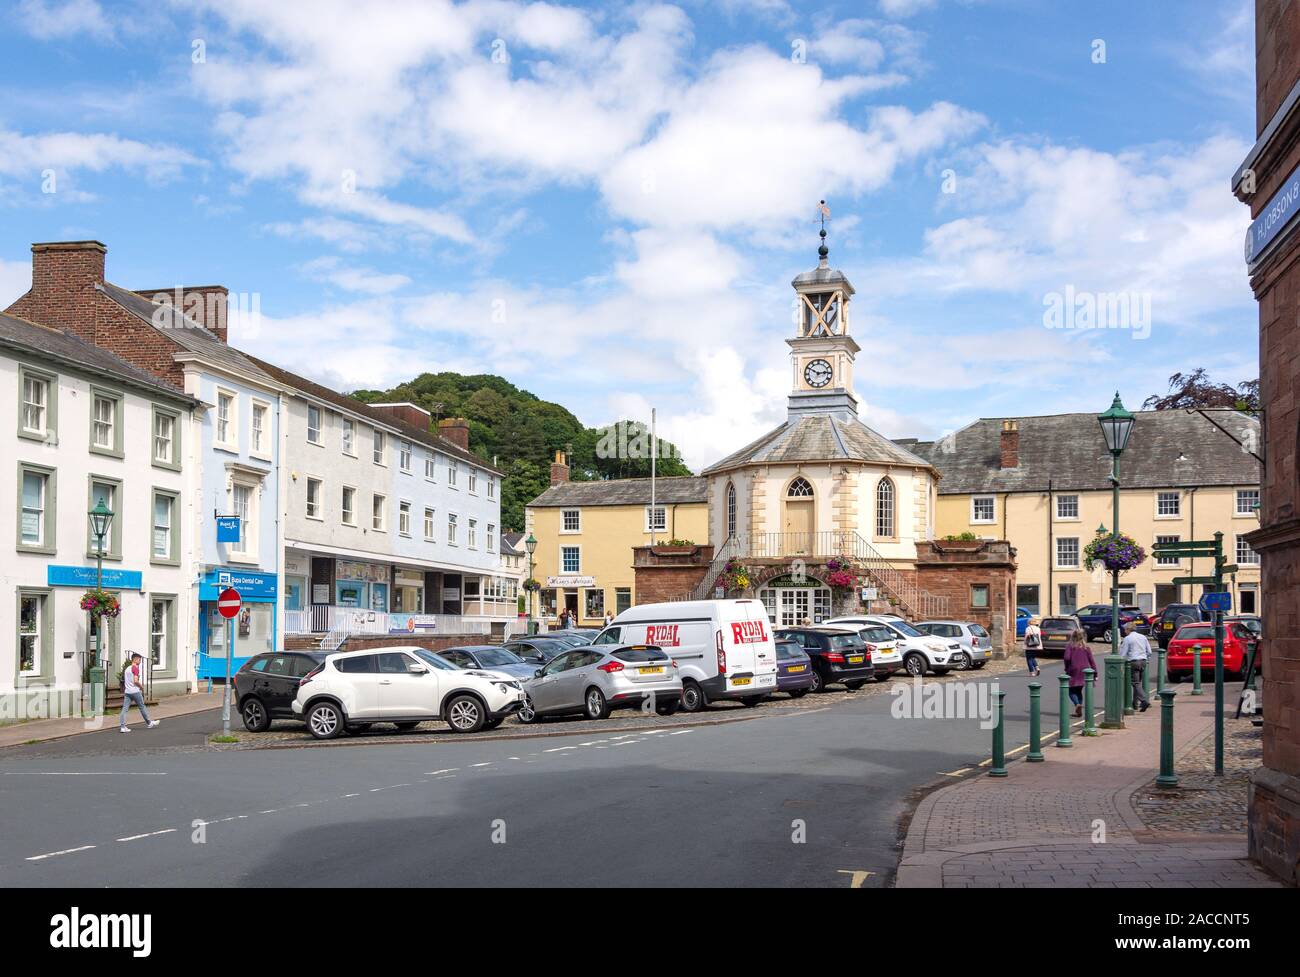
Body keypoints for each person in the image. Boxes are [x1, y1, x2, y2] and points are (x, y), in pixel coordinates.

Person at [119, 652, 159, 733]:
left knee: (125, 709)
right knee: (142, 707)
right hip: (135, 691)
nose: (140, 662)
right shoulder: (135, 668)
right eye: (139, 660)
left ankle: (122, 727)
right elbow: (136, 681)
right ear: (136, 659)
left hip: (127, 692)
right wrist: (141, 687)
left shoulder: (127, 669)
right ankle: (149, 723)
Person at [1061, 628, 1097, 718]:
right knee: (1079, 690)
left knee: (1070, 690)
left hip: (1073, 670)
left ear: (1073, 636)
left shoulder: (1070, 646)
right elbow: (1092, 661)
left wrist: (1067, 667)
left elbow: (1066, 658)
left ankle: (1077, 704)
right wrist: (1095, 673)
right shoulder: (1086, 647)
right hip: (1085, 671)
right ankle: (1079, 710)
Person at [1119, 621, 1152, 712]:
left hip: (1134, 662)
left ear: (1128, 629)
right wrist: (1145, 657)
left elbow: (1123, 654)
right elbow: (1149, 651)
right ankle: (1135, 704)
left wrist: (1121, 663)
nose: (1124, 631)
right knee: (1138, 683)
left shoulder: (1128, 639)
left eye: (1125, 629)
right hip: (1143, 661)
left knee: (1135, 683)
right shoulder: (1143, 637)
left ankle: (1144, 700)